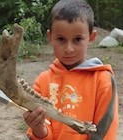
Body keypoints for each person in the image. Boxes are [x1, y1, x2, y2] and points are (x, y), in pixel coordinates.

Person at [23, 0, 118, 139]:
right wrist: (38, 129)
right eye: (61, 39)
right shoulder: (42, 82)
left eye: (77, 39)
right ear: (50, 37)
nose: (68, 49)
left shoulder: (102, 80)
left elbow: (105, 130)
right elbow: (43, 133)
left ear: (91, 38)